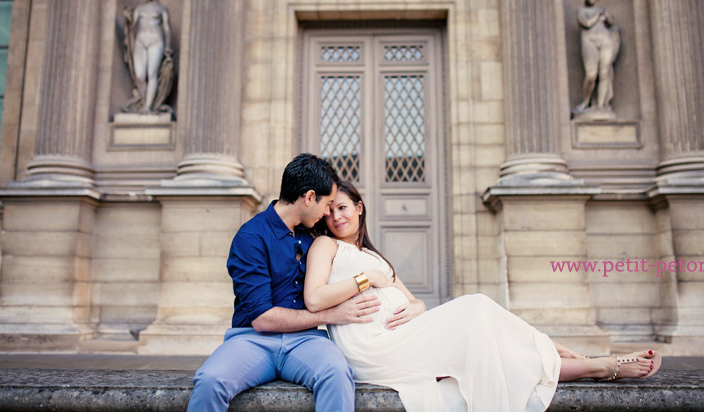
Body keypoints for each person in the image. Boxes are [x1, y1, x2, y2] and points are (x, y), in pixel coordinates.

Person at [305, 181, 661, 412]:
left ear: (360, 208)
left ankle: (593, 364)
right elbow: (315, 299)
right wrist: (368, 279)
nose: (337, 216)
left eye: (344, 208)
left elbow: (417, 303)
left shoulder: (374, 255)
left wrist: (412, 308)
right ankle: (578, 357)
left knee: (492, 343)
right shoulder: (325, 245)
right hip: (372, 346)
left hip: (404, 336)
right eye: (331, 210)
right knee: (476, 308)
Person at [187, 155, 380, 412]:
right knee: (210, 380)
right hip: (252, 339)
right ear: (309, 197)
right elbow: (262, 318)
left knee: (336, 372)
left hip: (307, 341)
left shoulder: (315, 233)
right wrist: (333, 314)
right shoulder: (251, 237)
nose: (329, 213)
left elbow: (358, 254)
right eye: (327, 204)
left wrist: (411, 301)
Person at [122, 0, 174, 114]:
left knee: (152, 73)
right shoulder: (140, 8)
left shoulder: (162, 9)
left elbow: (167, 29)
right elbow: (132, 25)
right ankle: (144, 102)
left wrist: (168, 46)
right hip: (140, 40)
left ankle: (148, 106)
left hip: (156, 40)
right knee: (139, 75)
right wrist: (128, 18)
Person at [572, 0, 621, 116]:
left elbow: (612, 24)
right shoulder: (581, 11)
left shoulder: (603, 10)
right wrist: (598, 15)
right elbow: (586, 23)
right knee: (591, 74)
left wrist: (606, 15)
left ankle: (601, 106)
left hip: (606, 41)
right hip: (590, 42)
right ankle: (586, 102)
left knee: (605, 73)